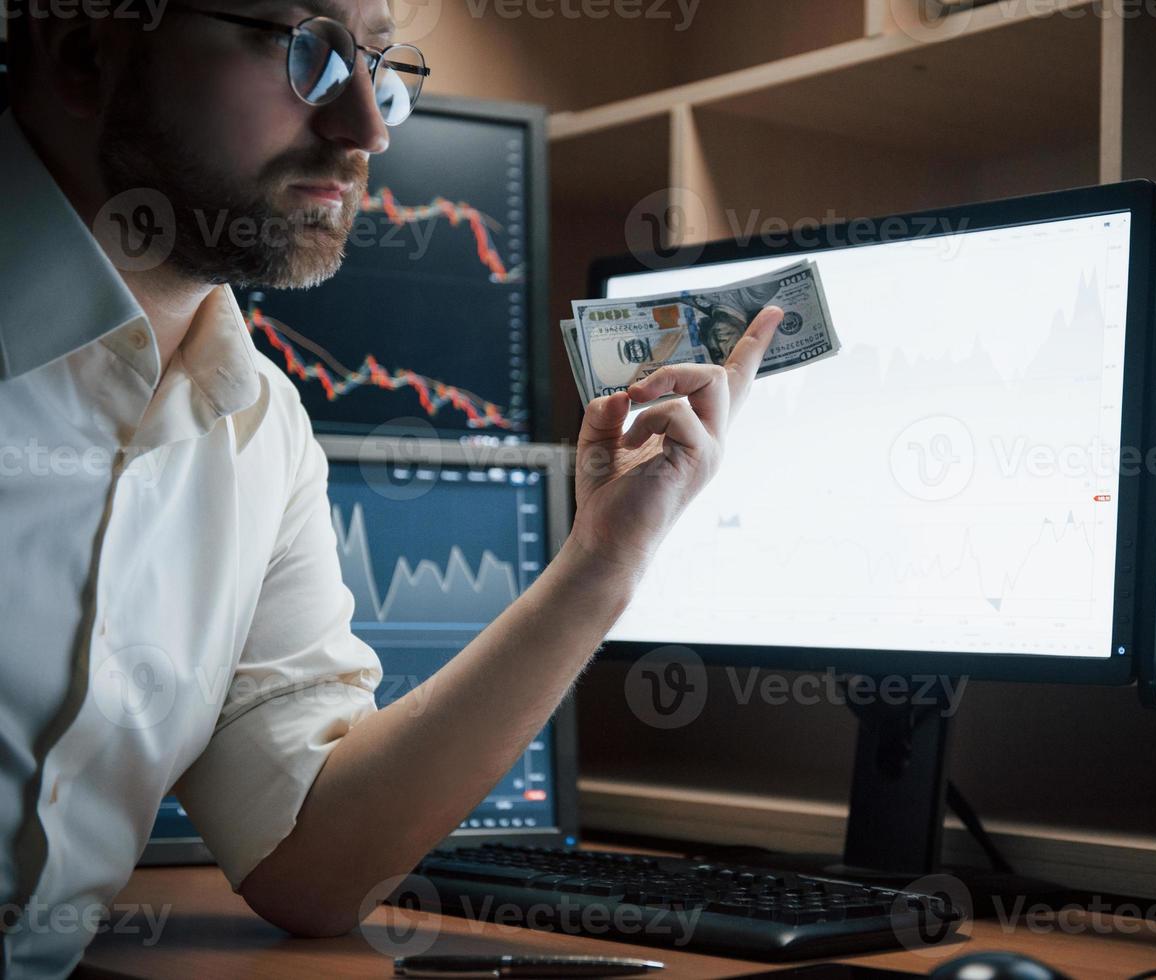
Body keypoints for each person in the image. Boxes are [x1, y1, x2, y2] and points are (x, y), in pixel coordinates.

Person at [0, 1, 782, 975]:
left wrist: (603, 560)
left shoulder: (263, 432)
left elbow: (313, 862)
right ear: (84, 49)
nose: (367, 126)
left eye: (378, 63)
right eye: (307, 51)